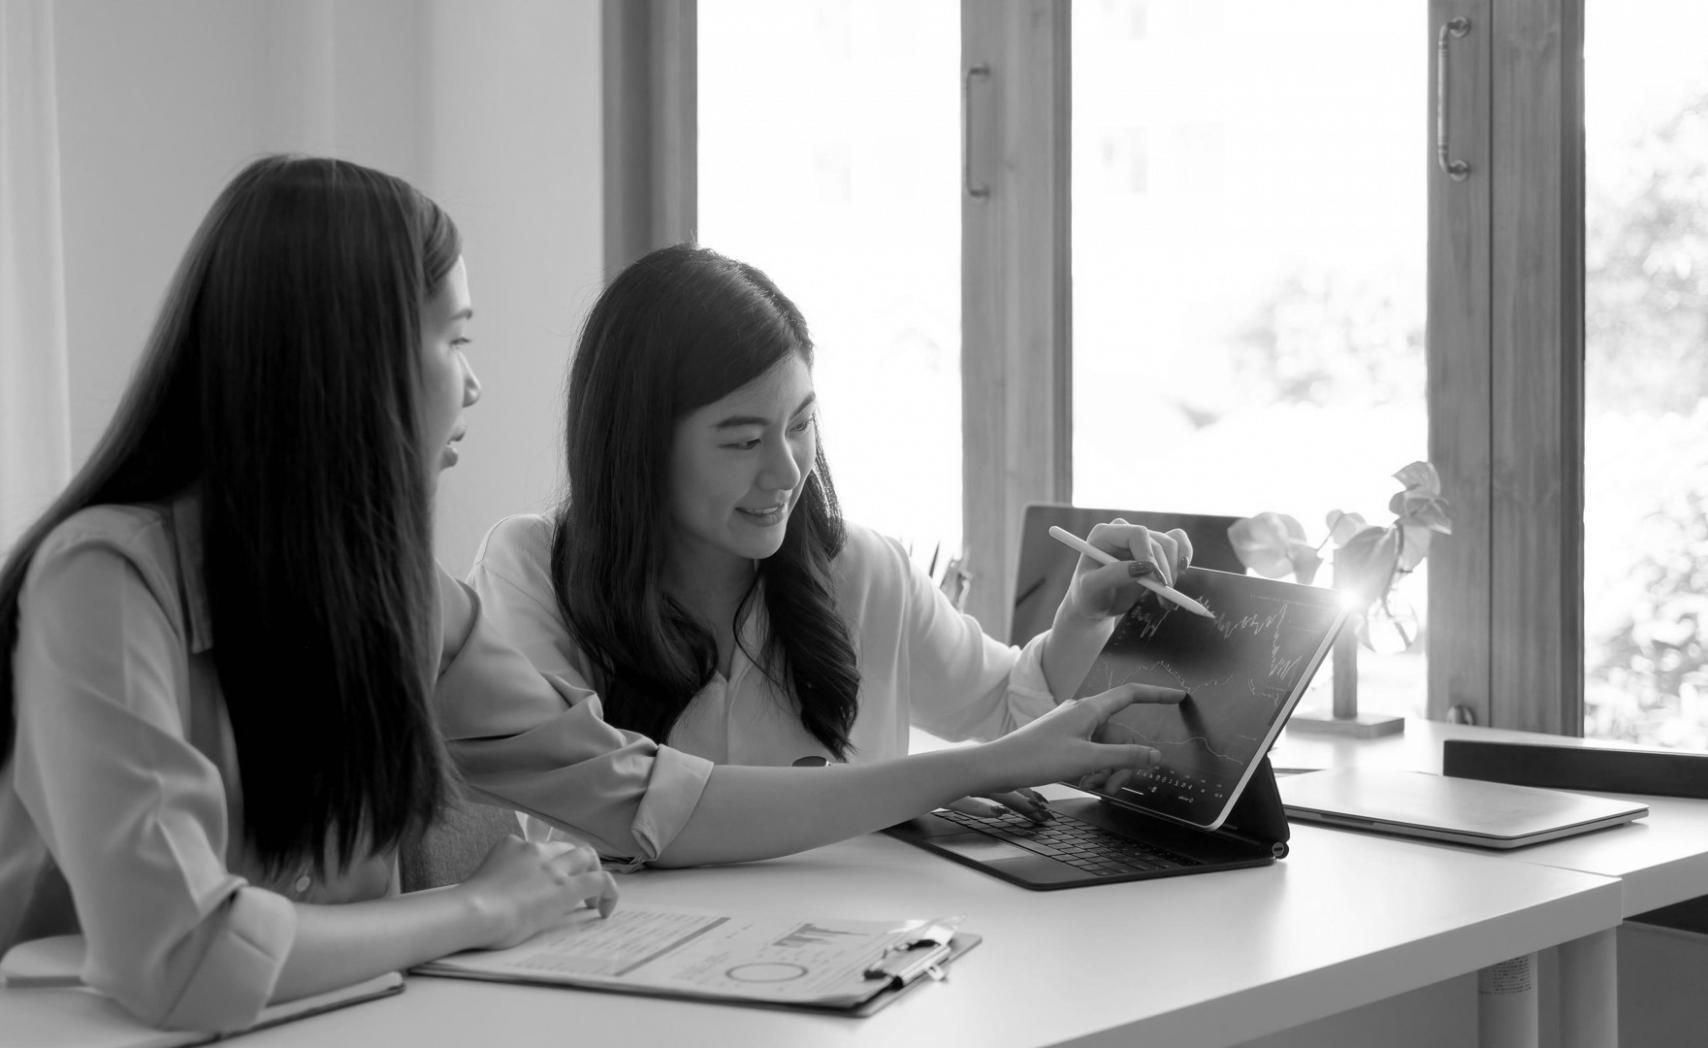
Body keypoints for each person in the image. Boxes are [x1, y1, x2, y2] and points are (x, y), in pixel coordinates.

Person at [0, 162, 1171, 1033]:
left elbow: (660, 798)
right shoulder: (103, 584)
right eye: (453, 337)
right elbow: (184, 961)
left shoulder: (393, 595)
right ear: (348, 361)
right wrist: (483, 908)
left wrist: (981, 763)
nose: (474, 382)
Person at [469, 243, 1193, 842]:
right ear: (637, 448)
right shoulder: (534, 569)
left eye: (801, 424)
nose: (786, 471)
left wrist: (1082, 616)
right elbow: (600, 811)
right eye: (744, 439)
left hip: (849, 970)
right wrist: (927, 787)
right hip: (620, 976)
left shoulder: (863, 570)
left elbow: (1008, 706)